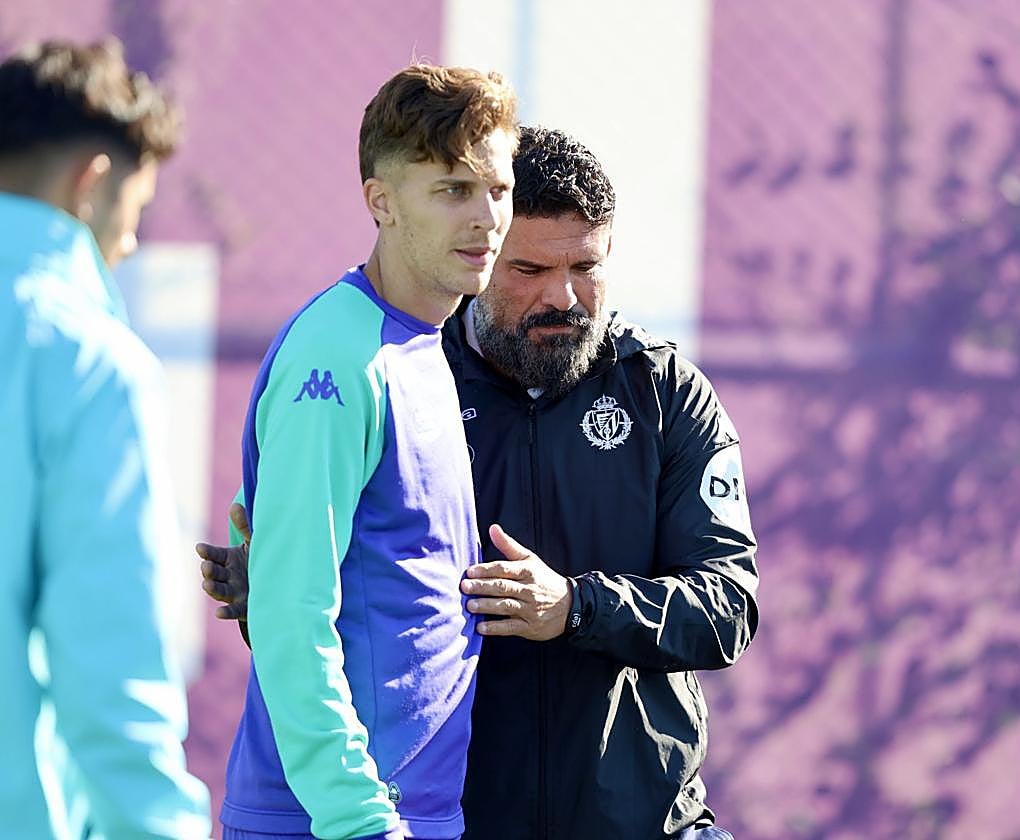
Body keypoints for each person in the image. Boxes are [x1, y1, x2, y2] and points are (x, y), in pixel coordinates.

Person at [202, 127, 758, 839]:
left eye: (586, 266)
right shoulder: (405, 378)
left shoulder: (664, 392)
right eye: (528, 270)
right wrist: (272, 595)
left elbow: (730, 604)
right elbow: (351, 616)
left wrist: (579, 607)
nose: (563, 297)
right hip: (460, 820)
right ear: (481, 252)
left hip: (649, 822)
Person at [214, 65, 518, 840]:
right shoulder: (339, 354)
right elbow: (291, 612)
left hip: (411, 816)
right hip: (334, 822)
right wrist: (358, 819)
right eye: (453, 189)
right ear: (381, 202)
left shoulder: (425, 345)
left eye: (498, 189)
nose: (486, 218)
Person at [0, 39, 211, 839]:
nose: (128, 245)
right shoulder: (85, 360)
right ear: (90, 185)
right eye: (135, 213)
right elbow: (109, 664)